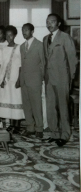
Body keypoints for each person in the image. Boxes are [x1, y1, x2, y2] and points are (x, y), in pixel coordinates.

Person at [43, 14, 78, 146]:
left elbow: (73, 60)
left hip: (62, 78)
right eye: (47, 22)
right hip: (49, 79)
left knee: (63, 107)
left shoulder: (65, 37)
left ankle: (65, 135)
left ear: (58, 23)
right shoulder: (45, 39)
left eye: (52, 22)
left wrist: (70, 78)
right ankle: (54, 133)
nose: (49, 24)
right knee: (51, 108)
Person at [0, 25, 24, 133]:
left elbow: (21, 65)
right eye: (6, 35)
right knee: (8, 101)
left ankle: (17, 125)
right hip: (6, 79)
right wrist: (2, 79)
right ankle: (11, 124)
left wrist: (19, 79)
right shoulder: (3, 49)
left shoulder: (19, 48)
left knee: (16, 100)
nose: (8, 38)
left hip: (15, 78)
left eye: (11, 35)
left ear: (15, 35)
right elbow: (3, 65)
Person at [19, 23, 45, 138]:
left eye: (26, 30)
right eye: (23, 30)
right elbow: (22, 65)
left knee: (36, 105)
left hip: (35, 80)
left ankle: (39, 128)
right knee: (26, 106)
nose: (24, 32)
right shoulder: (21, 46)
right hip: (24, 81)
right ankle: (30, 127)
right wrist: (20, 79)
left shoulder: (39, 45)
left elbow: (43, 63)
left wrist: (43, 78)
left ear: (32, 31)